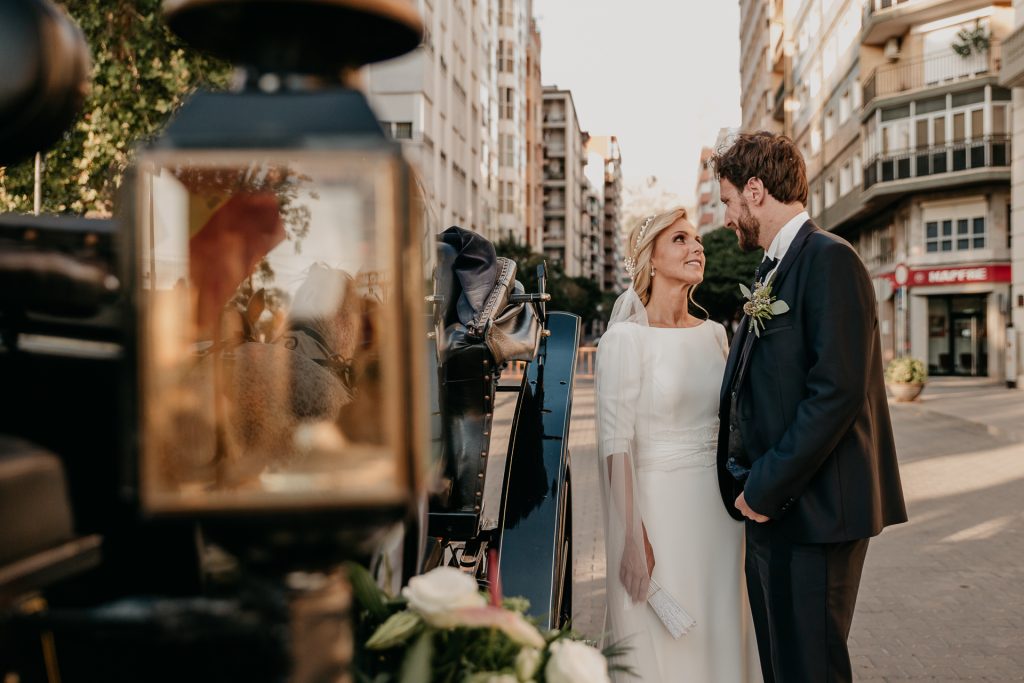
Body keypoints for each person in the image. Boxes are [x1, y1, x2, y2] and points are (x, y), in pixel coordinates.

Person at [710, 131, 908, 683]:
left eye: (727, 201)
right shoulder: (773, 268)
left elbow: (836, 392)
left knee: (810, 668)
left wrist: (764, 487)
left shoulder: (830, 259)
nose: (726, 217)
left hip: (816, 512)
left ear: (755, 190)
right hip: (776, 510)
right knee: (782, 667)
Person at [596, 207, 760, 682]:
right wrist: (632, 538)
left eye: (698, 240)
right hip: (658, 512)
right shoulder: (625, 340)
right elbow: (615, 446)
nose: (697, 248)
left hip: (721, 513)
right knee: (665, 642)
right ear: (651, 258)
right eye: (681, 240)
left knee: (723, 625)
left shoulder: (715, 335)